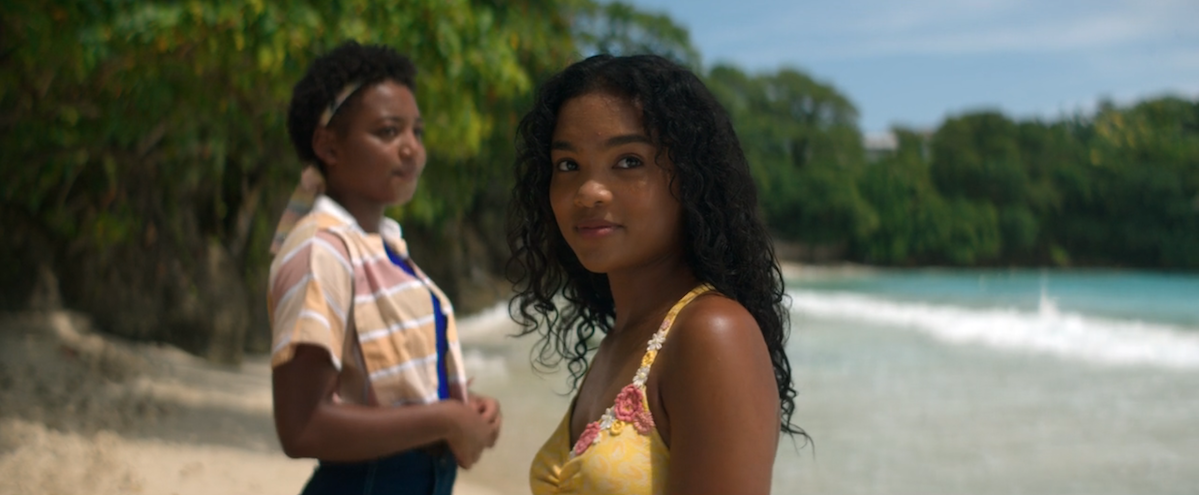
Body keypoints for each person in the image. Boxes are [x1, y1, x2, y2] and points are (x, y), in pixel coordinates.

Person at [509, 54, 808, 494]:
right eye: (568, 165)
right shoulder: (621, 339)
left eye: (629, 161)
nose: (589, 192)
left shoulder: (712, 333)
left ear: (690, 178)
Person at [267, 41, 500, 495]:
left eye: (417, 131)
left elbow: (385, 389)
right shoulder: (323, 249)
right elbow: (301, 427)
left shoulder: (384, 244)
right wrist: (445, 419)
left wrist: (465, 408)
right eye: (389, 132)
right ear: (328, 145)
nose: (412, 149)